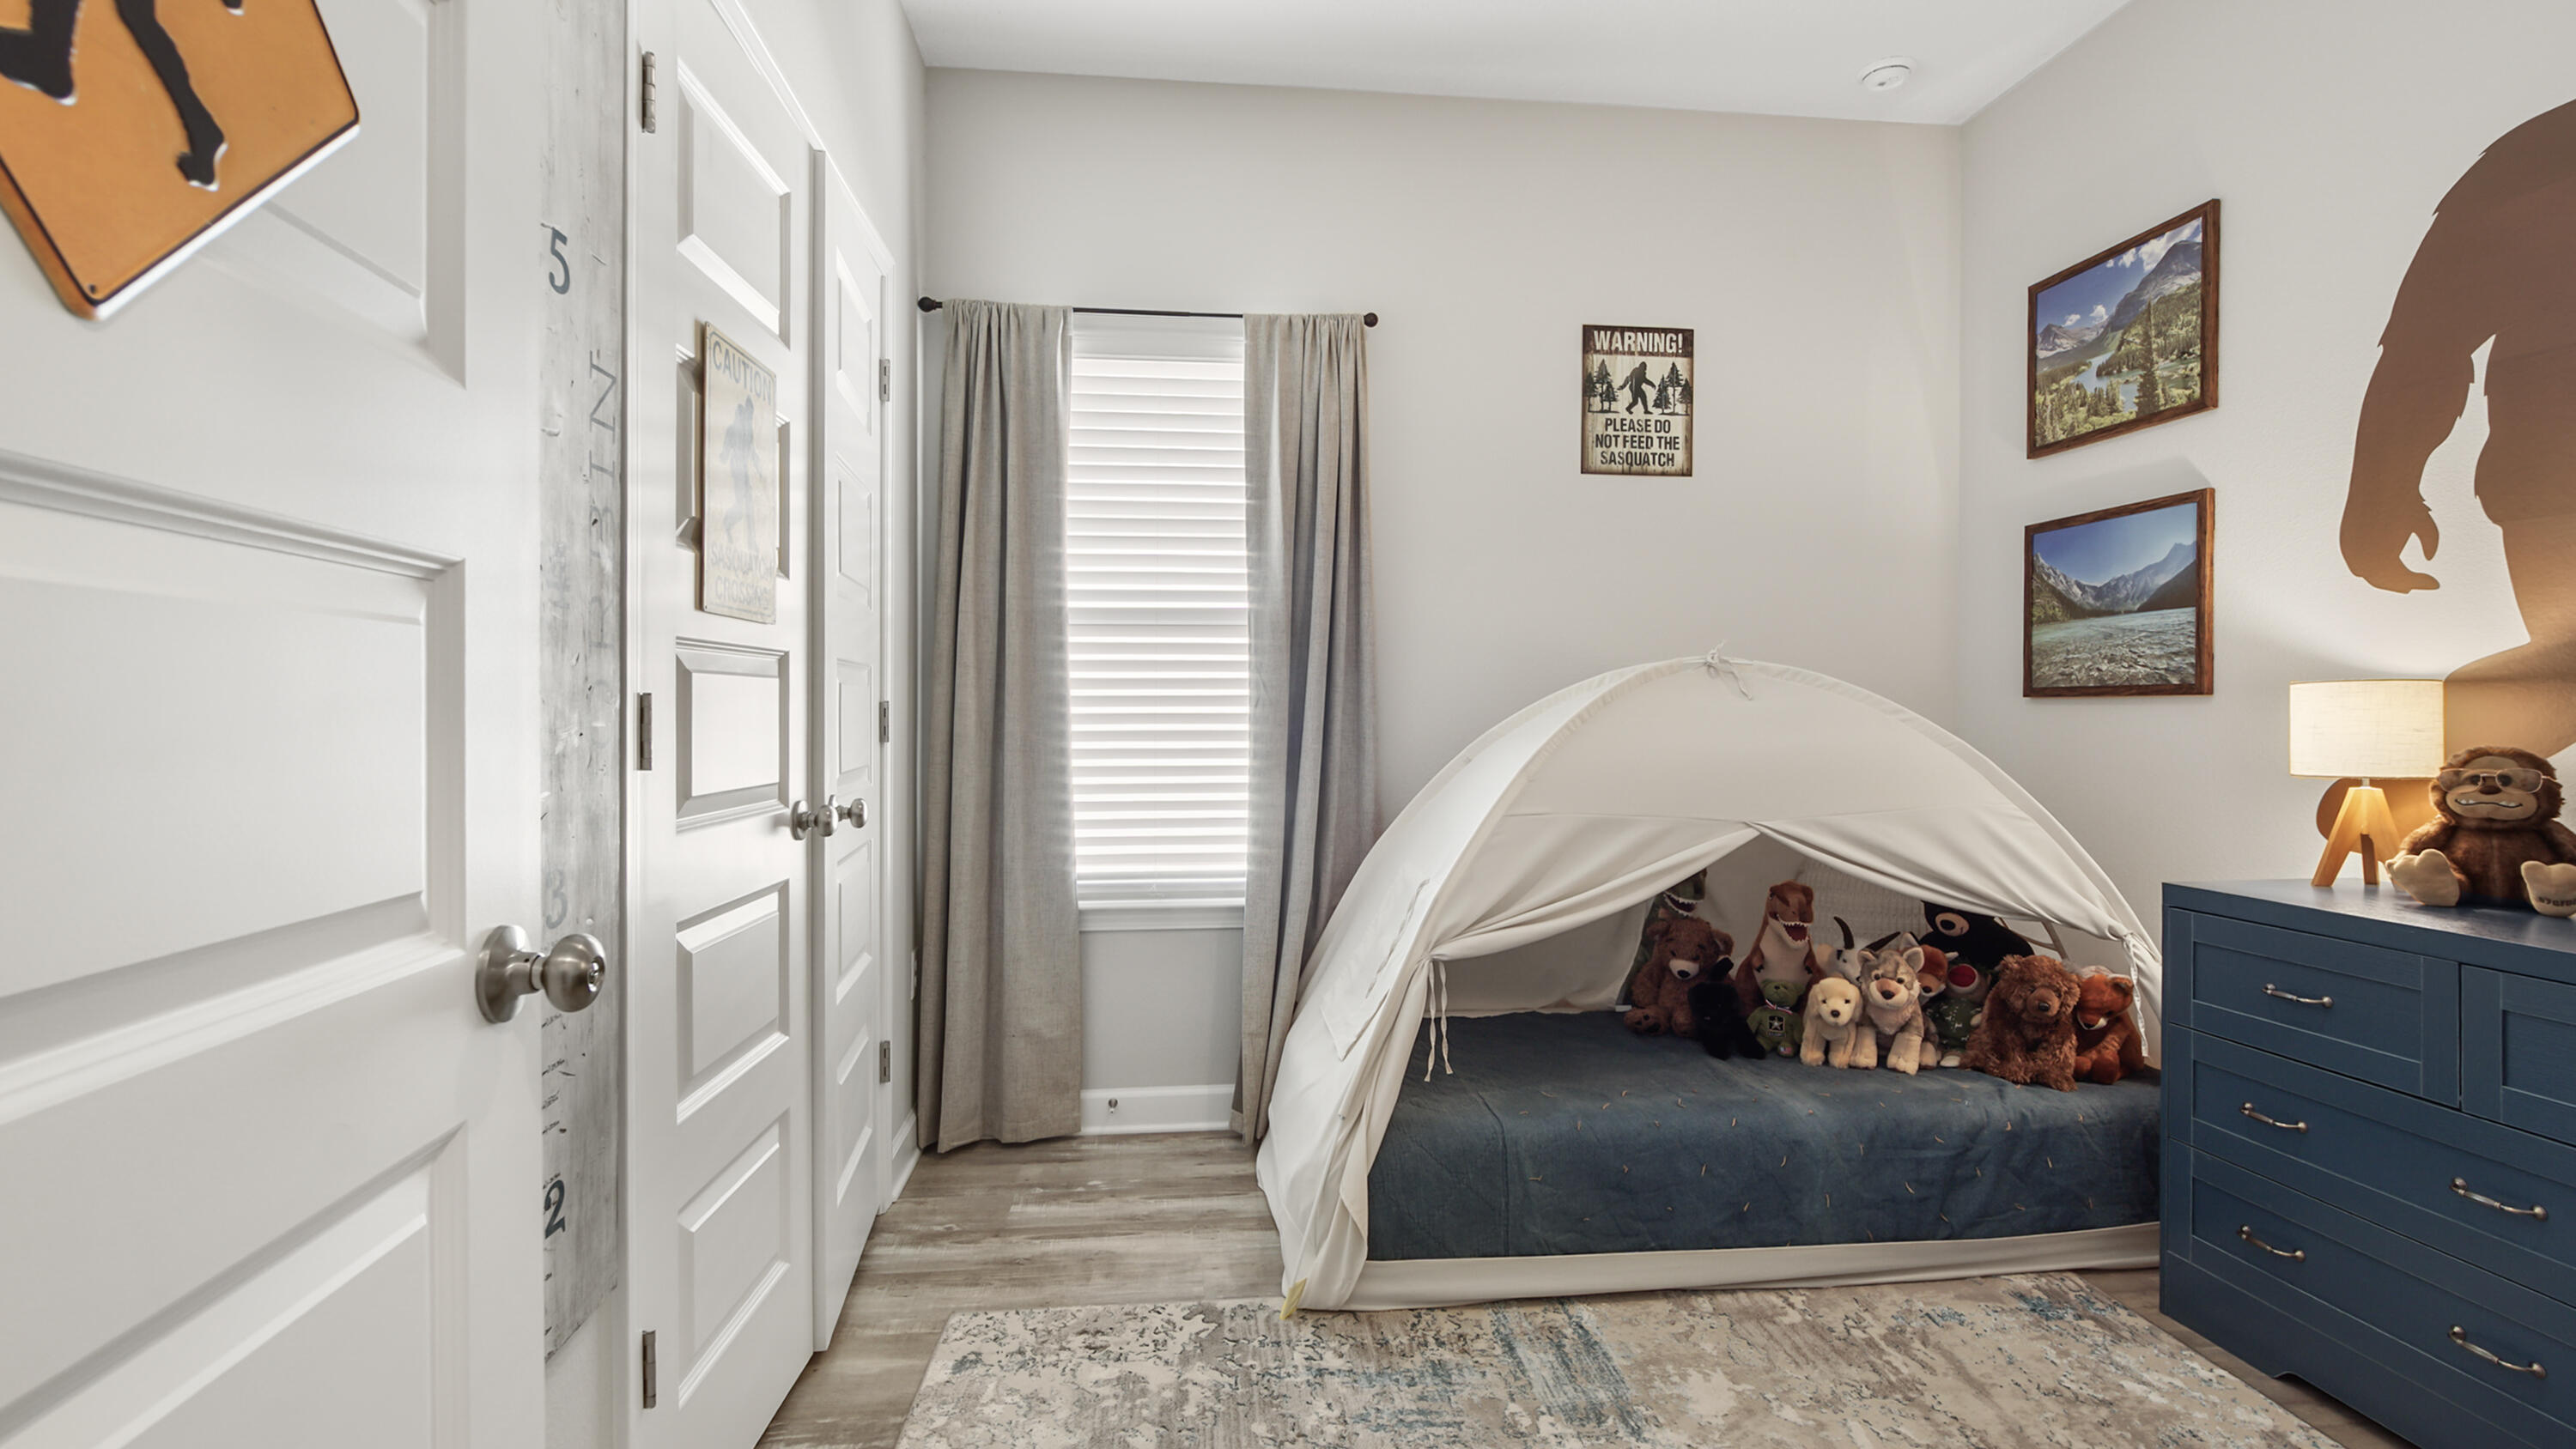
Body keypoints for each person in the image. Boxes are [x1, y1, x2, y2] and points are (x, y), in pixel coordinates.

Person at [2342, 99, 2576, 755]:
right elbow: (2427, 342)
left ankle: (2436, 791)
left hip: (2546, 466)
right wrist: (2380, 493)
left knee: (2564, 672)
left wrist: (2379, 496)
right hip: (2552, 470)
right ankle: (2440, 794)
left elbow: (2425, 342)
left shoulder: (2535, 156)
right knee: (2564, 672)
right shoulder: (2542, 156)